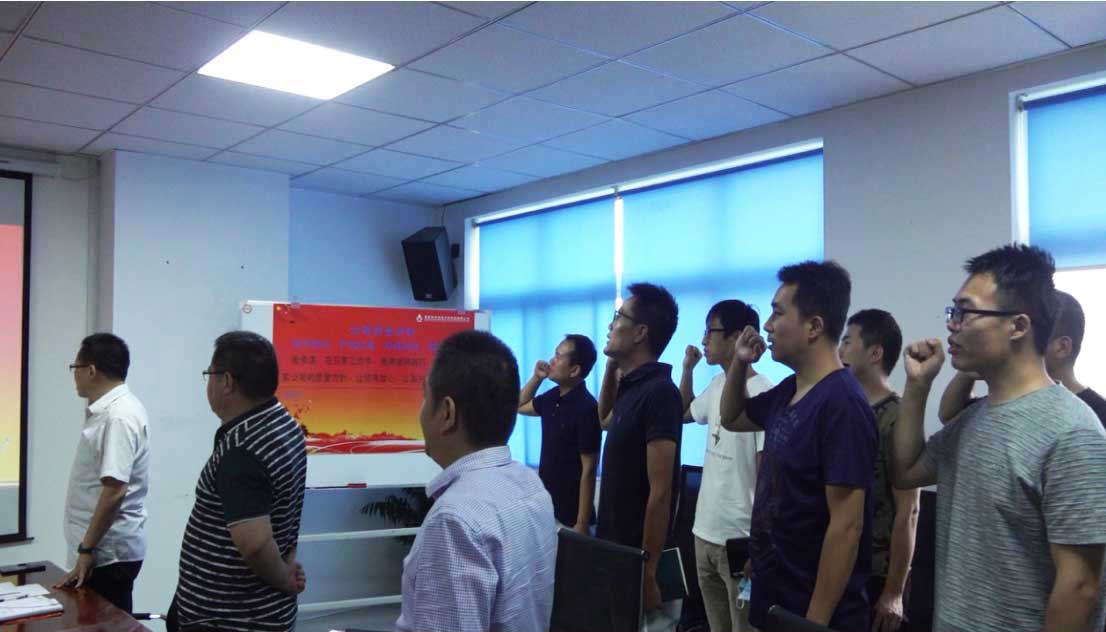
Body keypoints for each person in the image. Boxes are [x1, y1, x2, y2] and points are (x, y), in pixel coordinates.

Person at [893, 244, 1106, 632]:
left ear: (1019, 326)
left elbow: (1080, 589)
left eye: (965, 312)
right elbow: (906, 472)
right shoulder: (976, 417)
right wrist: (917, 386)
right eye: (952, 313)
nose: (952, 325)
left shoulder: (1073, 432)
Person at [719, 260, 877, 632]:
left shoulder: (842, 402)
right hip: (774, 596)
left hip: (810, 613)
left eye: (777, 313)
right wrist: (739, 363)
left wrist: (813, 624)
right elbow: (732, 417)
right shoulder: (789, 390)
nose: (767, 326)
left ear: (814, 326)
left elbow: (846, 526)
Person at [396, 330, 556, 632]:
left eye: (425, 397)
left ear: (447, 413)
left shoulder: (454, 520)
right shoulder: (530, 484)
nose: (420, 410)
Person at [169, 331, 307, 632]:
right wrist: (286, 568)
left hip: (230, 618)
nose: (208, 383)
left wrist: (286, 580)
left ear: (227, 382)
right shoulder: (285, 423)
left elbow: (255, 545)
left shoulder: (242, 449)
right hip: (261, 611)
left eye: (210, 375)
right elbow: (284, 512)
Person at [679, 300, 773, 632]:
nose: (704, 340)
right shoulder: (718, 384)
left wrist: (758, 545)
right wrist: (687, 369)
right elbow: (684, 412)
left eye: (711, 331)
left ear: (736, 338)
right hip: (704, 532)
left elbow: (768, 478)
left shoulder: (764, 393)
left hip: (739, 540)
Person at [597, 282, 682, 627]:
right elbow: (604, 418)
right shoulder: (632, 387)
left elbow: (661, 491)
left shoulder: (660, 393)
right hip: (615, 549)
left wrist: (648, 572)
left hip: (639, 558)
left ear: (640, 333)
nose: (611, 324)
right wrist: (610, 367)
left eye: (619, 317)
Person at [839, 309, 920, 632]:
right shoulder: (845, 408)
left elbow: (909, 511)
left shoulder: (897, 417)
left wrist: (894, 591)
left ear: (875, 353)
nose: (840, 351)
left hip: (876, 574)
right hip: (840, 561)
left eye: (847, 342)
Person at [57, 333, 150, 614]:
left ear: (91, 370)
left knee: (105, 625)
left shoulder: (117, 416)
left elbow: (114, 491)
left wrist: (86, 549)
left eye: (75, 368)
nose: (74, 375)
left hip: (107, 555)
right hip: (103, 551)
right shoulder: (113, 410)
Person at [939, 290, 1106, 427]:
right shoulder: (1012, 400)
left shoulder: (1097, 414)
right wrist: (973, 365)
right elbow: (951, 416)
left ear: (1061, 347)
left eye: (1027, 336)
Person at [518, 334, 601, 533]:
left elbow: (589, 468)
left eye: (558, 356)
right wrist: (537, 378)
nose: (551, 361)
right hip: (548, 508)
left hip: (572, 517)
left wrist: (582, 522)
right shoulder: (552, 397)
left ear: (574, 370)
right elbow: (520, 406)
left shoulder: (587, 407)